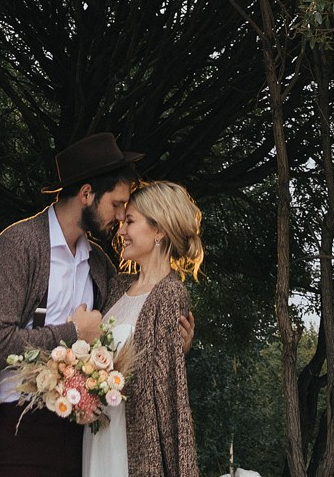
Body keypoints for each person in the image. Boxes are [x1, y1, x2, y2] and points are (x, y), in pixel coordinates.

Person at [0, 133, 139, 477]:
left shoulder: (98, 264)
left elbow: (133, 310)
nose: (122, 216)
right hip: (17, 429)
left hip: (79, 433)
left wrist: (175, 342)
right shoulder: (18, 246)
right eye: (117, 204)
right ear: (87, 194)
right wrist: (74, 332)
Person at [84, 180, 202, 477]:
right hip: (98, 434)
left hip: (132, 445)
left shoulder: (170, 294)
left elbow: (168, 392)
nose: (121, 231)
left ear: (159, 229)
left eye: (130, 222)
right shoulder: (117, 287)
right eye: (122, 222)